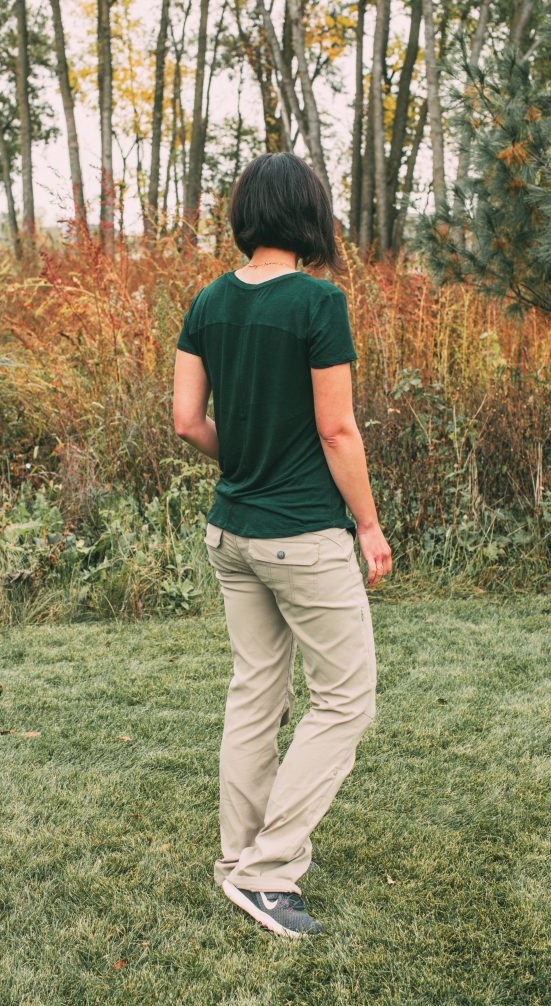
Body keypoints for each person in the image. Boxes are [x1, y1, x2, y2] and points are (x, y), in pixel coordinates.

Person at [172, 152, 392, 939]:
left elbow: (188, 422)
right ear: (310, 216)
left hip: (230, 530)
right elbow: (336, 428)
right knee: (345, 700)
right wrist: (367, 524)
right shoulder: (317, 301)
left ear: (245, 216)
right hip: (302, 535)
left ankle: (240, 861)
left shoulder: (207, 300)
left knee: (255, 693)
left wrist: (249, 459)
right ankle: (267, 874)